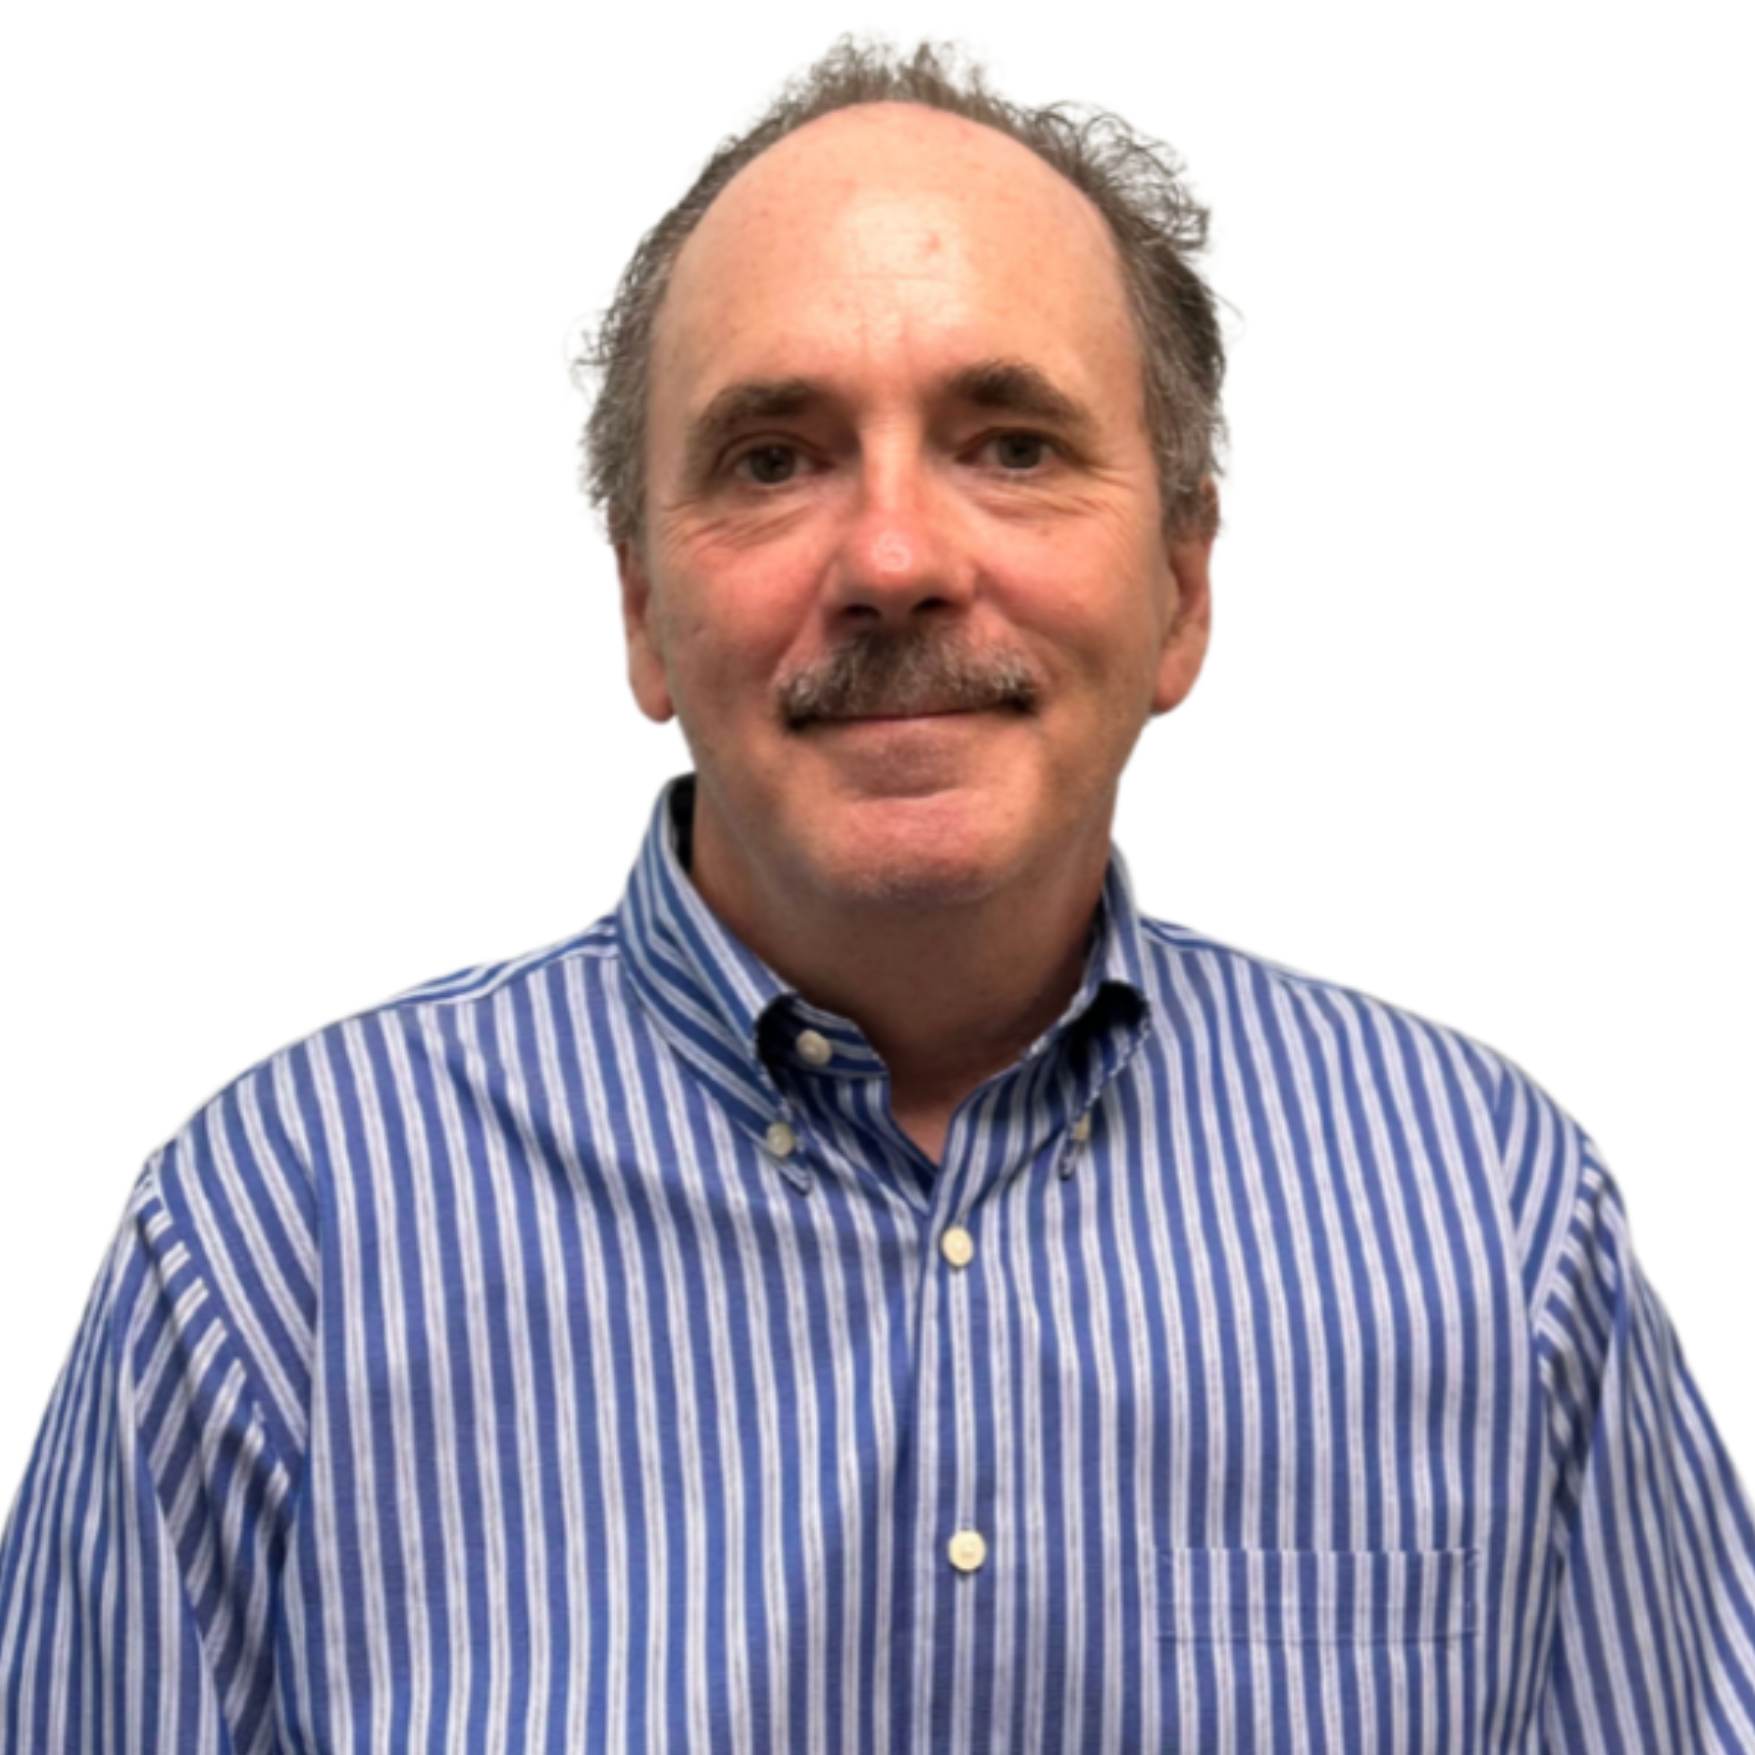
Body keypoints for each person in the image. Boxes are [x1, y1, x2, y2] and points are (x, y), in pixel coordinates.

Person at [3, 37, 1753, 1755]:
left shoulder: (1486, 1218)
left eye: (1011, 444)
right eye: (774, 459)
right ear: (640, 610)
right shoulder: (280, 1247)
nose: (896, 559)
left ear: (1182, 585)